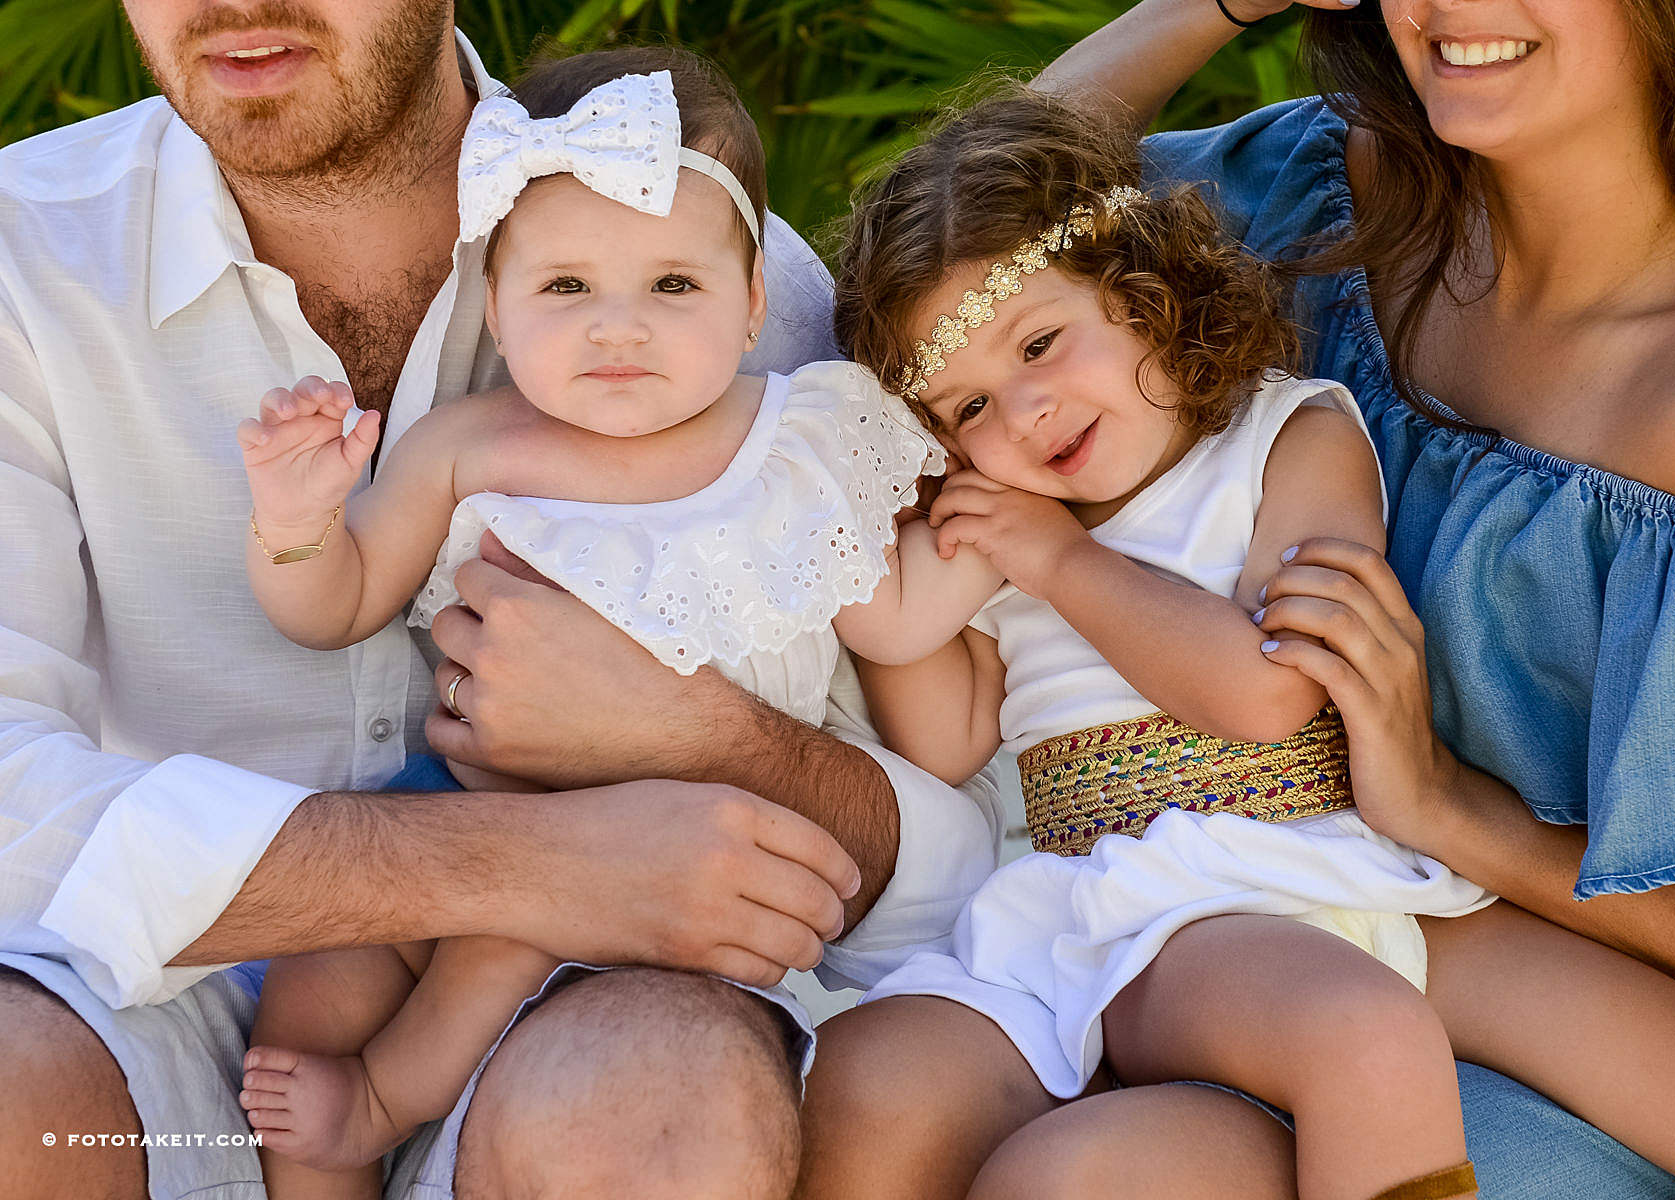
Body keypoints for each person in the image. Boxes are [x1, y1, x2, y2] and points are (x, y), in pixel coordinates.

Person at [798, 2, 1675, 1198]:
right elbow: (1000, 191)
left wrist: (1455, 815)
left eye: (1033, 355)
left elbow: (1267, 690)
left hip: (1438, 899)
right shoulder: (1313, 196)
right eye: (968, 405)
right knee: (1104, 1157)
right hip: (1215, 937)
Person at [0, 4, 1002, 1199]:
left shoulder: (757, 296)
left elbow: (943, 815)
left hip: (614, 976)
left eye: (672, 287)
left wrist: (704, 738)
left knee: (652, 1104)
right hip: (147, 983)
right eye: (567, 284)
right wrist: (510, 859)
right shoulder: (24, 254)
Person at [233, 46, 946, 1200]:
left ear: (755, 300)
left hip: (708, 843)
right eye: (566, 288)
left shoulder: (805, 438)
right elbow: (338, 607)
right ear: (498, 308)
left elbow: (898, 627)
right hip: (477, 821)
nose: (620, 327)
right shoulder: (468, 446)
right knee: (323, 965)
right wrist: (297, 520)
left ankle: (383, 1102)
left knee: (493, 954)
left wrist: (988, 550)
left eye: (674, 286)